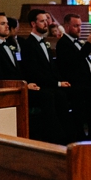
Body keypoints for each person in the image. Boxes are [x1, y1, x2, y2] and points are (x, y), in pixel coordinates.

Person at [20, 9, 71, 143]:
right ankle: (55, 139)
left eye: (46, 20)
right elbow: (34, 72)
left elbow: (52, 68)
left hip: (48, 84)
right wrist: (57, 84)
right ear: (33, 24)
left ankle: (69, 136)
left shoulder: (44, 42)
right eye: (42, 21)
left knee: (63, 94)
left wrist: (60, 81)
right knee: (51, 95)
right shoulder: (28, 45)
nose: (46, 24)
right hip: (38, 86)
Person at [58, 13, 91, 140]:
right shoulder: (63, 43)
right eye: (75, 26)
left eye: (80, 25)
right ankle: (87, 138)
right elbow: (73, 63)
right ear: (66, 27)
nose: (79, 29)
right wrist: (89, 45)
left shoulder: (76, 42)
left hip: (86, 82)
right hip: (76, 85)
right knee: (88, 111)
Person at [0, 11, 29, 88]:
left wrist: (27, 83)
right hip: (5, 91)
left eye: (7, 23)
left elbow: (18, 69)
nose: (7, 26)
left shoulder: (10, 46)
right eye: (2, 24)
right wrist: (23, 85)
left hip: (18, 88)